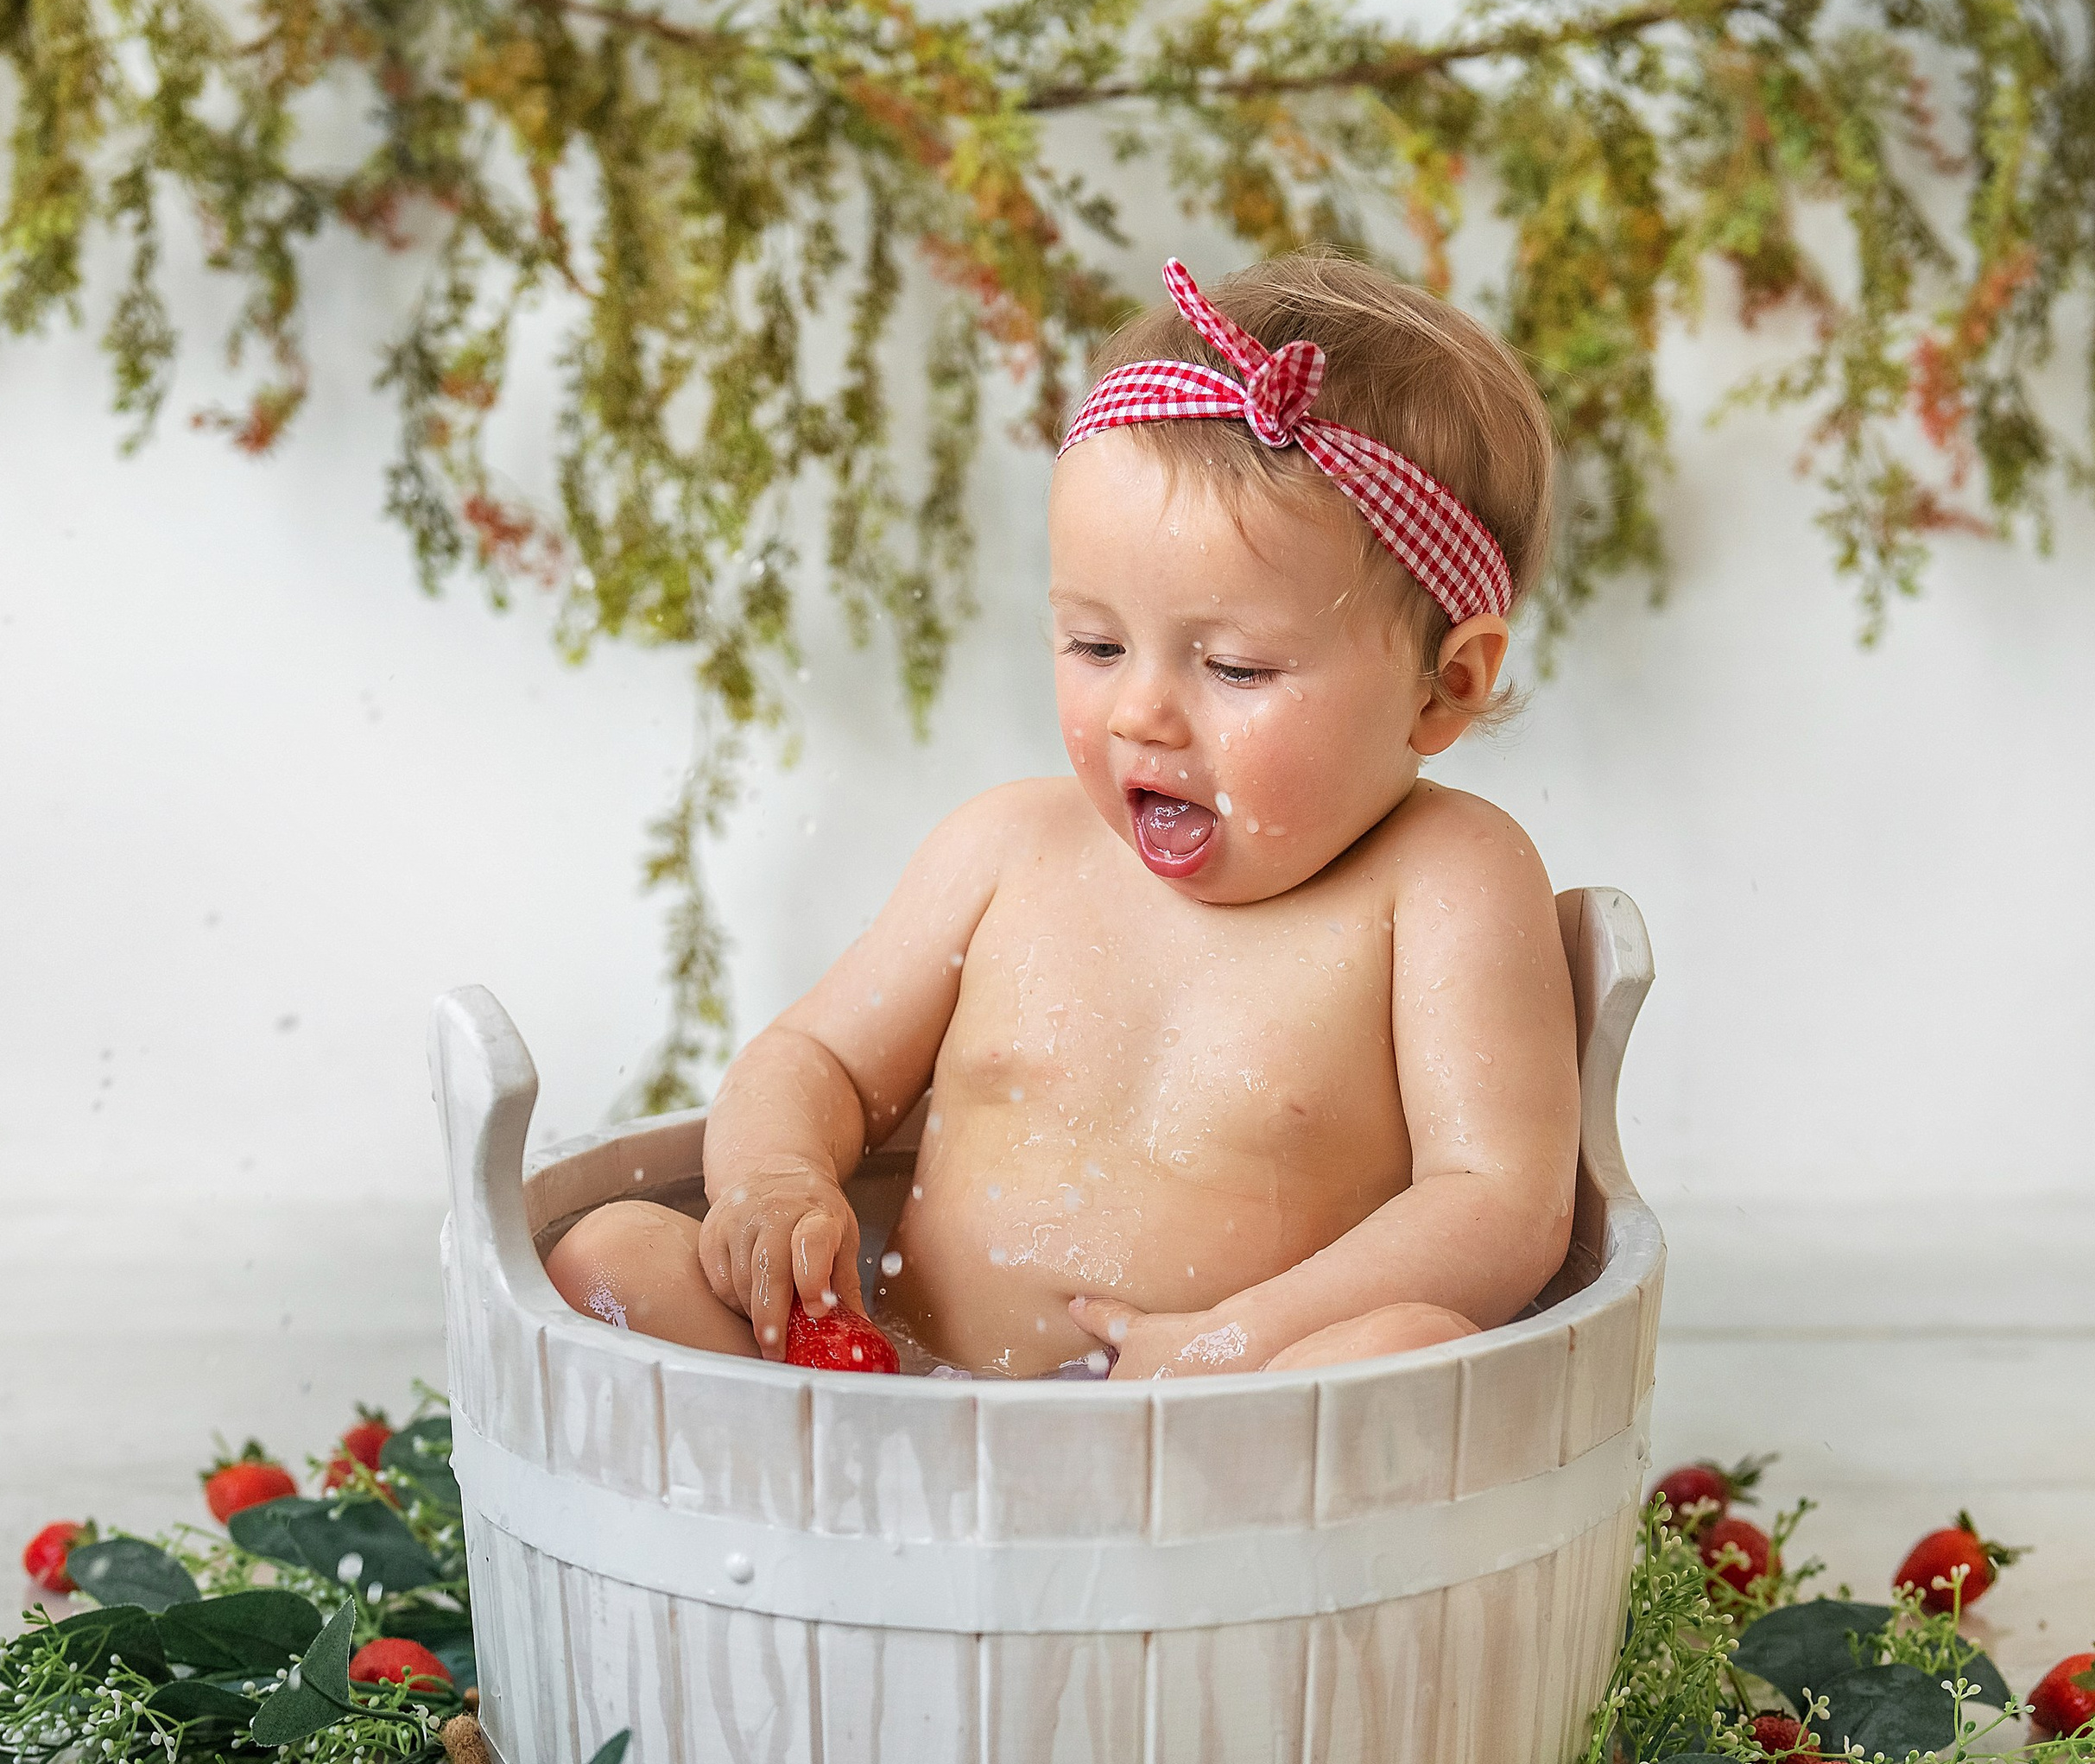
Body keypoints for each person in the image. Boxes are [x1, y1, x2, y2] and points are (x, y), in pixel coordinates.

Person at [547, 252, 1580, 1379]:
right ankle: (799, 1524)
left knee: (1409, 1348)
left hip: (1221, 1433)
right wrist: (778, 1181)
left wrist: (1237, 1345)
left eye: (1234, 668)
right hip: (891, 1392)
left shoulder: (1445, 883)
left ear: (1445, 685)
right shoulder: (1006, 849)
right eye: (1096, 645)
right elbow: (817, 1060)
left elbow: (1498, 1208)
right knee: (612, 1256)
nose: (1141, 711)